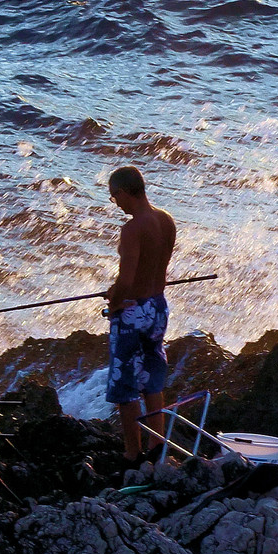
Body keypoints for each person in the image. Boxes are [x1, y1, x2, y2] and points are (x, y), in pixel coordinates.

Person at [101, 165, 177, 461]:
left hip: (134, 313)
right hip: (158, 306)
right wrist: (120, 291)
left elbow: (128, 280)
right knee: (151, 380)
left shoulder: (132, 228)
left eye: (113, 197)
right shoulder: (165, 220)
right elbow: (153, 269)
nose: (115, 203)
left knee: (124, 387)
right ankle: (158, 448)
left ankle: (133, 456)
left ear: (122, 192)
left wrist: (115, 302)